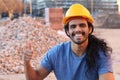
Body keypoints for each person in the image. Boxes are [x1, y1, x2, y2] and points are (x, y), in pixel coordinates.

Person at [24, 3, 114, 80]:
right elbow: (35, 77)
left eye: (82, 25)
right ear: (67, 31)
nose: (78, 29)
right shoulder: (56, 53)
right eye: (73, 26)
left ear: (90, 29)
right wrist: (26, 62)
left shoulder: (101, 53)